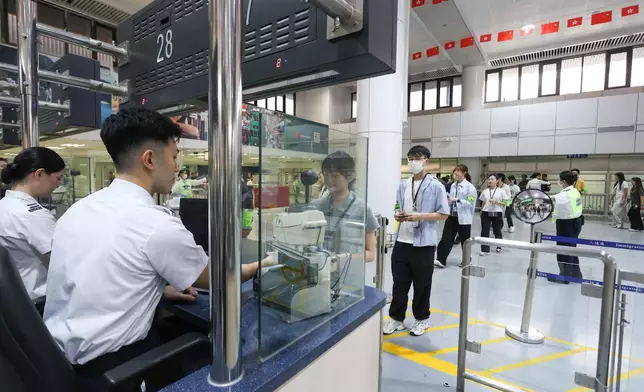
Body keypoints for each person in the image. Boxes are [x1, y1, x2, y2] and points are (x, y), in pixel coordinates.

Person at [43, 109, 265, 388]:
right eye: (173, 156)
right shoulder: (156, 224)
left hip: (58, 359)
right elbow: (217, 278)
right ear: (149, 159)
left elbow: (97, 270)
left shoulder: (80, 209)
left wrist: (158, 287)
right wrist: (261, 264)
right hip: (115, 368)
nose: (176, 166)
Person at [384, 145, 449, 337]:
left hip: (423, 244)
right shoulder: (403, 185)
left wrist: (419, 216)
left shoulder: (436, 185)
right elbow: (398, 204)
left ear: (426, 160)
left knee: (422, 284)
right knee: (399, 283)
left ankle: (422, 319)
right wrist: (398, 214)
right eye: (410, 158)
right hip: (402, 241)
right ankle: (396, 319)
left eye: (417, 157)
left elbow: (444, 214)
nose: (413, 161)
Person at [0, 147, 65, 299]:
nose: (58, 185)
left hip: (14, 299)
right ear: (40, 174)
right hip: (38, 303)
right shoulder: (32, 215)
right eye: (58, 178)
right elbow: (65, 260)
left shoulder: (5, 205)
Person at [311, 151, 378, 271]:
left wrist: (339, 261)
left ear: (350, 177)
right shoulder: (316, 206)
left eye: (335, 175)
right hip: (318, 274)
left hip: (348, 278)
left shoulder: (362, 209)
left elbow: (370, 254)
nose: (329, 179)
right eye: (326, 174)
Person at [435, 165, 476, 269]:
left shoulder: (470, 187)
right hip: (452, 216)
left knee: (465, 240)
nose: (455, 174)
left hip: (464, 218)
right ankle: (441, 259)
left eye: (458, 171)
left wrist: (457, 200)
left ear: (464, 172)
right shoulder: (453, 185)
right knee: (446, 238)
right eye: (455, 172)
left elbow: (471, 202)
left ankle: (467, 260)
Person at [550, 171, 584, 283]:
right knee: (571, 249)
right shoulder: (574, 191)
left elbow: (551, 199)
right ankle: (575, 274)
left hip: (566, 224)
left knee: (563, 249)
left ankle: (564, 276)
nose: (558, 181)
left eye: (559, 179)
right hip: (576, 222)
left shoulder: (565, 194)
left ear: (563, 181)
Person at [479, 174, 508, 256]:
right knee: (484, 231)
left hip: (497, 212)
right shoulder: (485, 191)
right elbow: (483, 203)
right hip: (486, 212)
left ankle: (499, 245)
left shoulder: (501, 191)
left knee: (497, 230)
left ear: (497, 181)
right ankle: (484, 249)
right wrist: (481, 212)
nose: (490, 181)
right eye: (489, 179)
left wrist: (496, 202)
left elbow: (507, 203)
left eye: (492, 179)